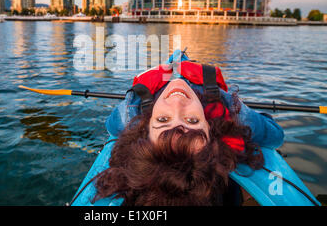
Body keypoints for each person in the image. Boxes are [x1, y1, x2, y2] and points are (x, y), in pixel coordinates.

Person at [92, 60, 285, 206]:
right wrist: (227, 103)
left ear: (146, 126)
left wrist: (134, 95)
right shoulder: (230, 115)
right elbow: (276, 134)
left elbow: (111, 127)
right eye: (192, 120)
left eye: (162, 120)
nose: (177, 103)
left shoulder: (132, 113)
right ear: (211, 129)